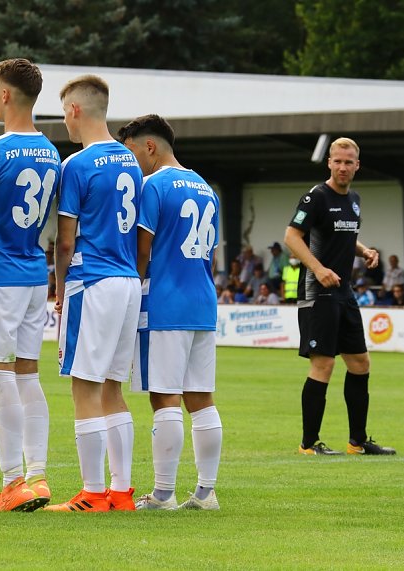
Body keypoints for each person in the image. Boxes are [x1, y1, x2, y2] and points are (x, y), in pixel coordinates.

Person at [43, 75, 142, 513]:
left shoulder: (77, 165)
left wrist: (60, 286)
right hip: (127, 280)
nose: (65, 121)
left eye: (64, 112)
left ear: (76, 110)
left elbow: (65, 241)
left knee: (84, 386)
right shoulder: (131, 161)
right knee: (112, 389)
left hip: (93, 280)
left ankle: (92, 493)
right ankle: (121, 491)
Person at [0, 58, 58, 512]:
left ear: (4, 94)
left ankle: (12, 482)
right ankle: (37, 475)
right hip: (35, 271)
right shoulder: (51, 152)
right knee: (27, 373)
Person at [119, 114, 223, 511]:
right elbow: (211, 254)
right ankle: (206, 492)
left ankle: (163, 494)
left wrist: (131, 291)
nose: (132, 163)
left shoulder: (153, 186)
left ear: (150, 147)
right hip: (202, 300)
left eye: (132, 152)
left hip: (165, 302)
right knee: (202, 398)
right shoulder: (206, 187)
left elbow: (142, 250)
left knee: (165, 397)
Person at [283, 136, 396, 456]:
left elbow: (343, 235)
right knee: (324, 364)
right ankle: (308, 444)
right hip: (317, 291)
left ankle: (357, 442)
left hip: (344, 292)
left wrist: (364, 250)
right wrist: (318, 269)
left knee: (360, 362)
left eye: (349, 162)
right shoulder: (316, 197)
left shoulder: (354, 200)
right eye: (338, 161)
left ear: (357, 165)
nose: (343, 167)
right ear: (329, 163)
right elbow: (291, 236)